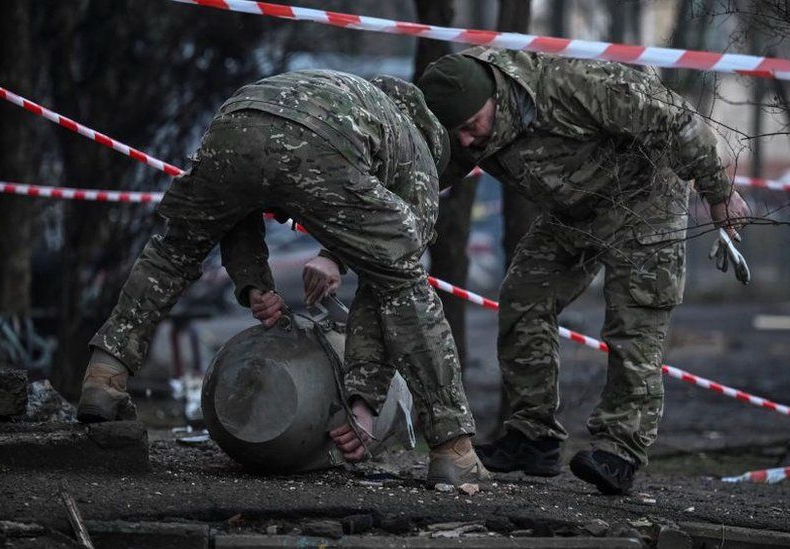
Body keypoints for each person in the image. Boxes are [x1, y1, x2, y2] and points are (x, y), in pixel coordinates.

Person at [76, 70, 488, 489]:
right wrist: (363, 398)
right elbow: (386, 284)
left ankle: (104, 374)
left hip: (237, 118)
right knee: (404, 287)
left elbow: (240, 201)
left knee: (175, 250)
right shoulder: (420, 157)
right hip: (321, 142)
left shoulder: (350, 95)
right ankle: (453, 447)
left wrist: (254, 284)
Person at [417, 47, 749, 495]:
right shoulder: (465, 127)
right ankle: (532, 438)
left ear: (494, 96)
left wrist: (718, 191)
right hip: (573, 211)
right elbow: (415, 181)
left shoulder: (573, 85)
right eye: (457, 135)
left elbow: (676, 118)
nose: (468, 143)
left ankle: (620, 452)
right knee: (522, 298)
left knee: (635, 325)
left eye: (472, 127)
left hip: (644, 200)